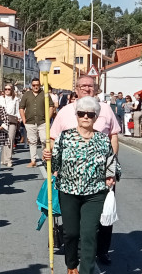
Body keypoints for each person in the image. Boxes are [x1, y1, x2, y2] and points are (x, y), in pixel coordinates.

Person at [44, 75, 121, 265]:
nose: (86, 116)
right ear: (76, 89)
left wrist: (110, 173)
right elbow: (53, 142)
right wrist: (51, 161)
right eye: (82, 114)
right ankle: (73, 263)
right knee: (72, 231)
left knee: (94, 228)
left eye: (90, 85)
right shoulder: (65, 116)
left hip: (96, 185)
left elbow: (113, 140)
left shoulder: (105, 112)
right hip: (69, 186)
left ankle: (96, 256)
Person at [19, 78, 54, 167]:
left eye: (37, 85)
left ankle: (45, 157)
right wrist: (23, 119)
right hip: (30, 122)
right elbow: (21, 107)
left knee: (44, 140)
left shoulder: (45, 94)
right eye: (34, 85)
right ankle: (33, 160)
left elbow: (51, 107)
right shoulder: (26, 95)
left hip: (42, 122)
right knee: (32, 142)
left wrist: (48, 118)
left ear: (40, 85)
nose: (36, 87)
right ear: (31, 85)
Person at [0, 84, 20, 167]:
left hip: (12, 120)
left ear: (12, 90)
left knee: (10, 139)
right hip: (2, 121)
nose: (7, 91)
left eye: (9, 89)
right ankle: (3, 159)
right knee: (3, 139)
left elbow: (17, 111)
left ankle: (9, 159)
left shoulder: (15, 99)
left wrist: (19, 119)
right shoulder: (0, 99)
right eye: (6, 89)